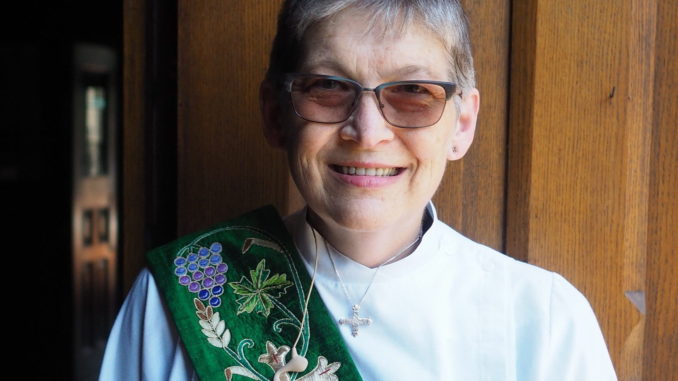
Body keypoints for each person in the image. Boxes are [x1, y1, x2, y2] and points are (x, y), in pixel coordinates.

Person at [99, 1, 618, 380]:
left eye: (413, 92)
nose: (367, 133)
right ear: (275, 115)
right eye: (328, 86)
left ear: (461, 124)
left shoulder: (544, 321)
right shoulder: (187, 293)